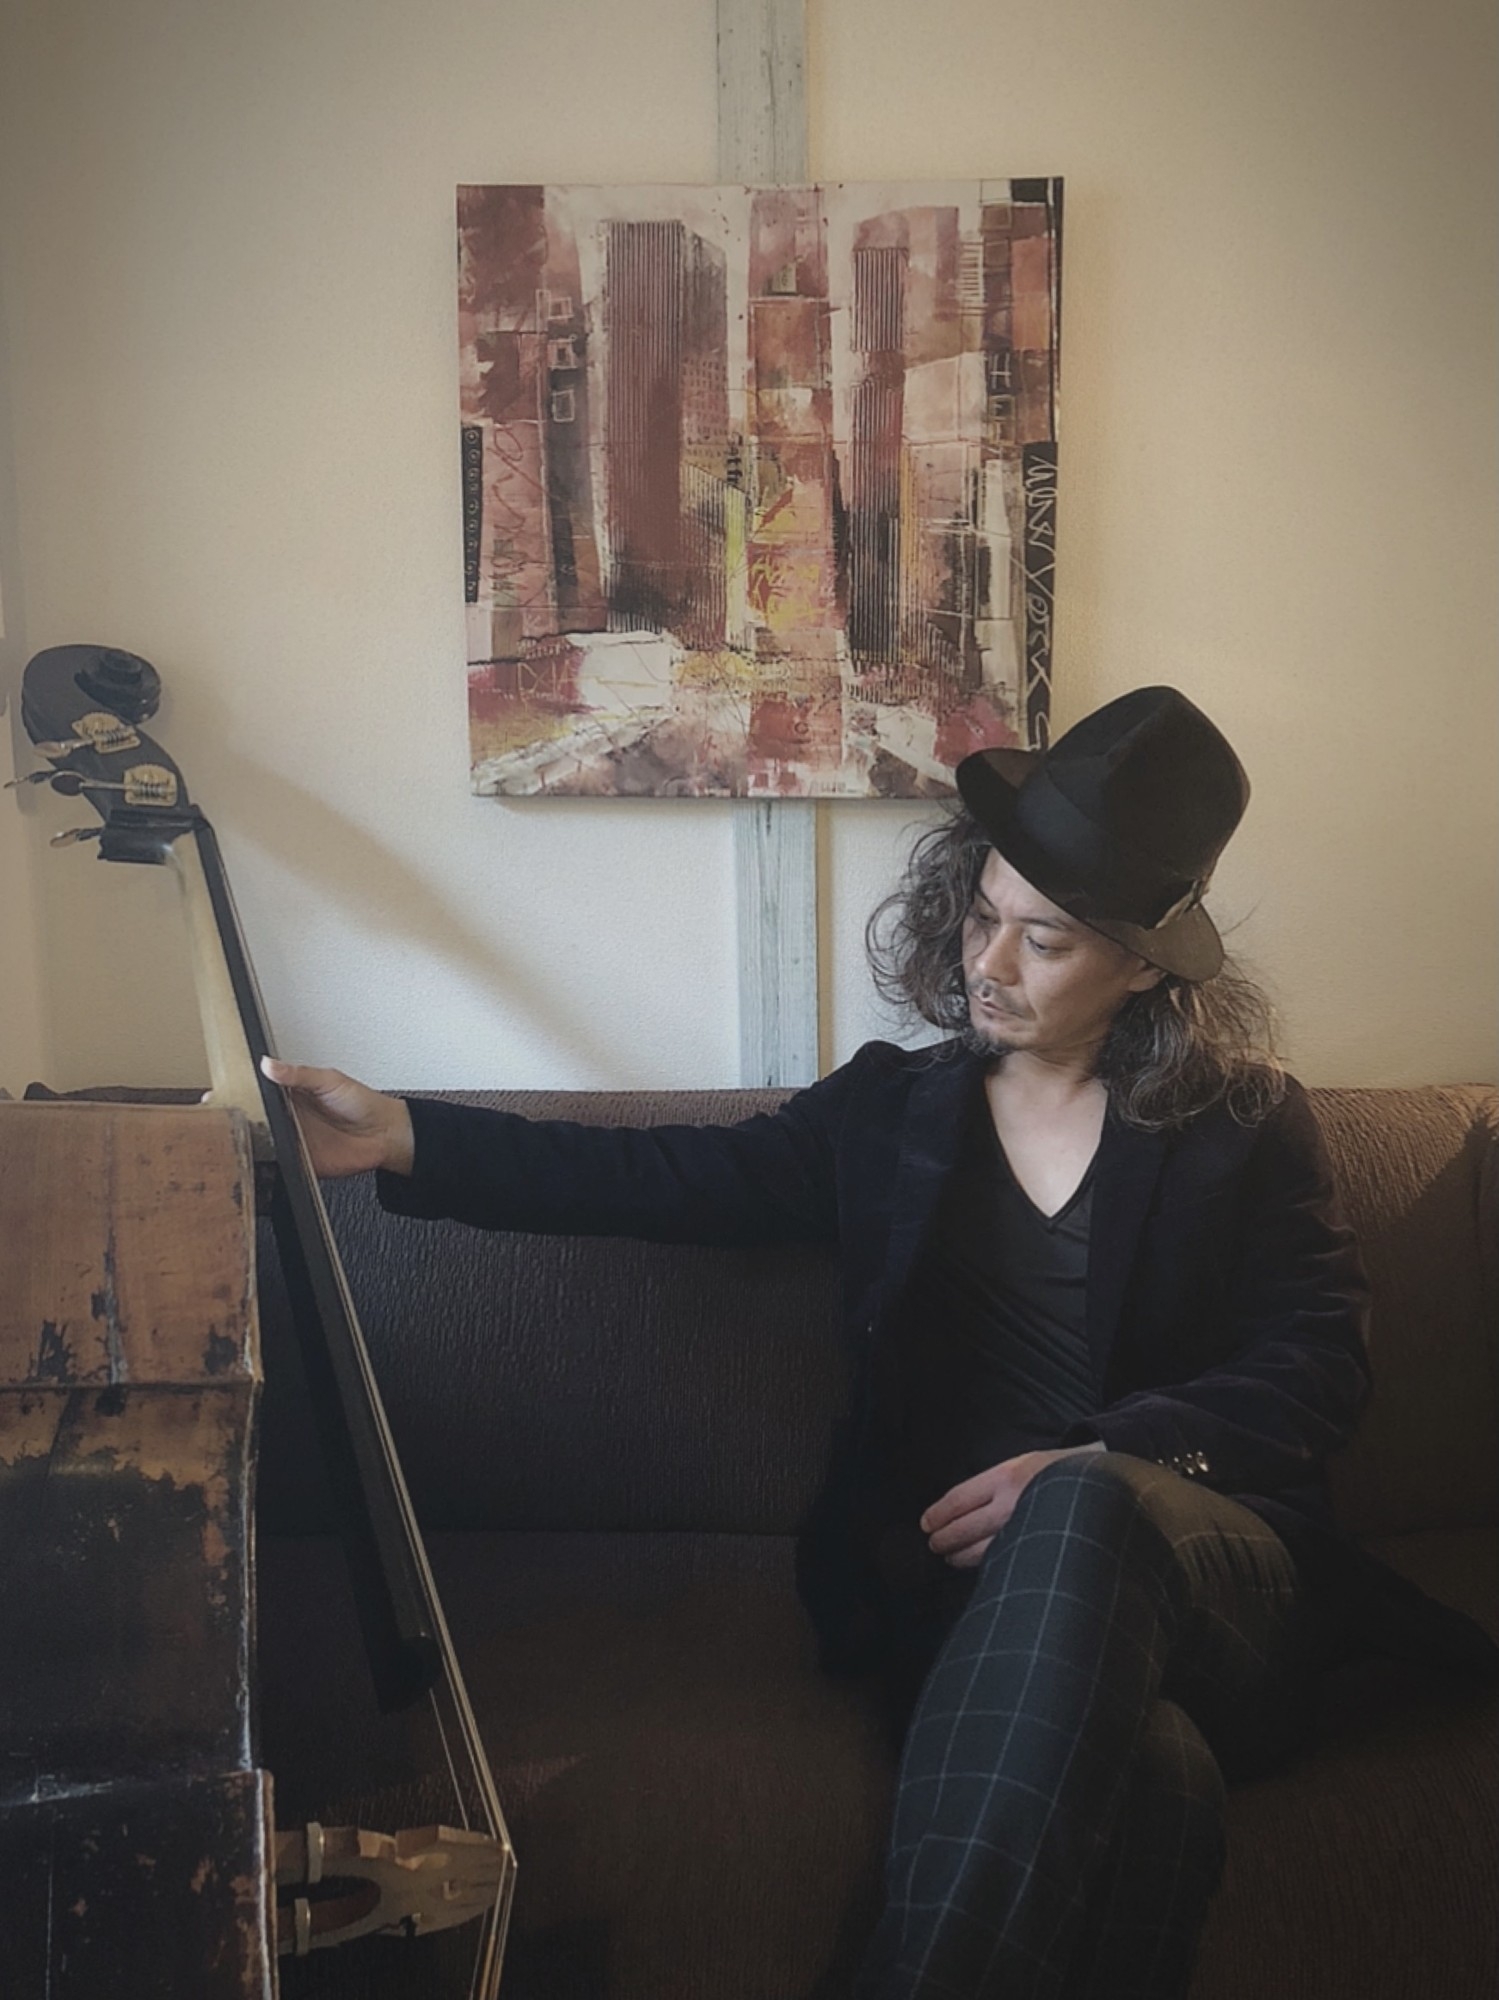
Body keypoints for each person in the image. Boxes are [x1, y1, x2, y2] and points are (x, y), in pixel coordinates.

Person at [263, 686, 1489, 2000]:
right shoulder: (890, 1114)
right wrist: (405, 1133)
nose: (989, 965)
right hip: (966, 1604)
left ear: (1143, 965)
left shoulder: (1244, 1124)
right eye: (981, 916)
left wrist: (1101, 1457)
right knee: (1161, 1779)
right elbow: (666, 1176)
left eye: (1044, 941)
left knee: (1087, 1505)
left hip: (1215, 1583)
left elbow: (1319, 1366)